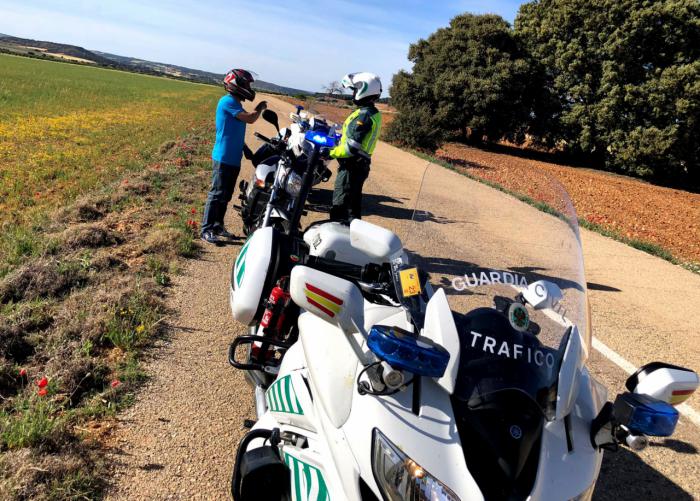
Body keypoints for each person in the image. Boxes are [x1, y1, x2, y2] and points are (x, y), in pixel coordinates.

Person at [201, 69, 267, 244]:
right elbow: (250, 118)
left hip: (233, 158)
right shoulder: (227, 101)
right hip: (223, 158)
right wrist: (260, 107)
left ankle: (217, 226)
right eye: (246, 84)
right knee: (216, 194)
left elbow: (233, 131)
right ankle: (206, 229)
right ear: (236, 84)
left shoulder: (236, 104)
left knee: (226, 195)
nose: (249, 88)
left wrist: (245, 148)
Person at [328, 72, 382, 222]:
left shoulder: (364, 116)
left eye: (355, 90)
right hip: (359, 166)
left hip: (352, 167)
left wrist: (329, 152)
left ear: (364, 90)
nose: (353, 93)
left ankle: (339, 242)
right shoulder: (371, 112)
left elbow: (351, 148)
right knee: (352, 208)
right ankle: (353, 239)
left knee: (340, 208)